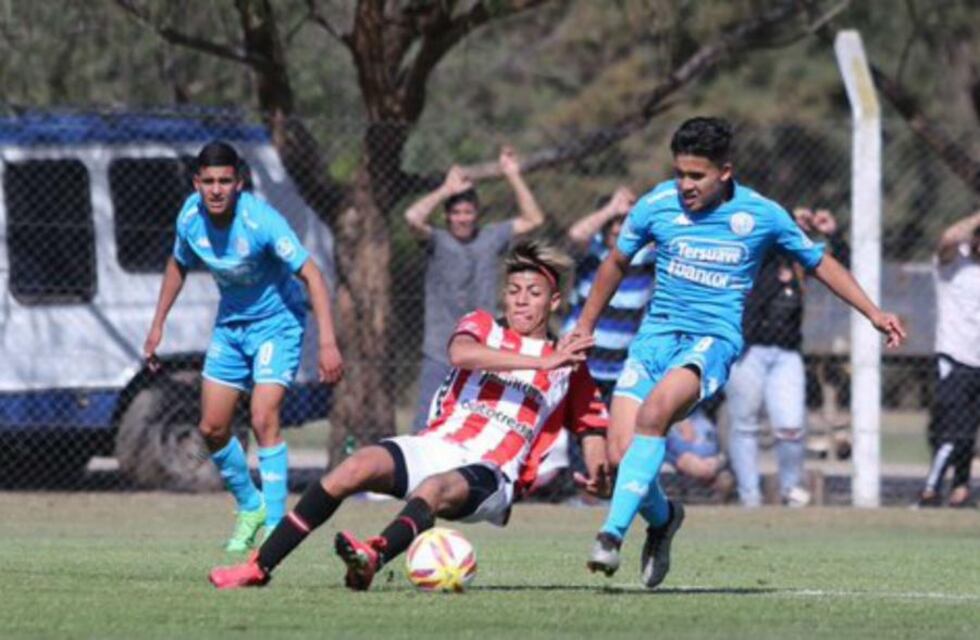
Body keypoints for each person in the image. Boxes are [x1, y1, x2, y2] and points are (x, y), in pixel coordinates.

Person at [568, 116, 906, 589]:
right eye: (680, 173)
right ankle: (663, 520)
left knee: (655, 415)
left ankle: (611, 535)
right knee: (626, 456)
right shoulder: (657, 205)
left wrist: (872, 312)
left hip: (712, 341)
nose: (685, 185)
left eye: (696, 176)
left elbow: (819, 261)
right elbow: (617, 263)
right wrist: (585, 326)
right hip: (654, 339)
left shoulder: (762, 215)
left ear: (724, 171)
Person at [208, 241, 611, 591]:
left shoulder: (568, 366)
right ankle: (258, 566)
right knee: (354, 467)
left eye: (534, 293)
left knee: (435, 488)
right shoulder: (483, 326)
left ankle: (374, 555)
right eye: (514, 291)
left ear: (553, 301)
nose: (522, 300)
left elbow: (591, 428)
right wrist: (540, 361)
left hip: (493, 471)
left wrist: (598, 470)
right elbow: (461, 354)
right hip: (437, 444)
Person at [143, 141, 344, 553]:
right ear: (197, 183)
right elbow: (177, 264)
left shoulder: (262, 222)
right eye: (209, 182)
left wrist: (327, 341)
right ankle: (249, 506)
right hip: (230, 328)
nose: (217, 190)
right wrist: (157, 324)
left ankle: (275, 525)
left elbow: (313, 276)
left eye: (225, 181)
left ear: (238, 183)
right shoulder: (189, 218)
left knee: (263, 415)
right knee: (211, 428)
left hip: (278, 325)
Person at [405, 146, 546, 433]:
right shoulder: (438, 240)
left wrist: (512, 174)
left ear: (477, 214)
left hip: (483, 349)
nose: (463, 218)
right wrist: (446, 190)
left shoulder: (491, 237)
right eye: (456, 213)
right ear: (447, 216)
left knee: (477, 422)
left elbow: (534, 219)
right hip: (439, 349)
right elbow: (412, 217)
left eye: (468, 212)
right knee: (425, 424)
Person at [725, 207, 843, 508]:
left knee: (790, 426)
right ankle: (749, 496)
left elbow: (840, 268)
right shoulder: (758, 255)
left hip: (787, 354)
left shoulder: (800, 261)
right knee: (744, 425)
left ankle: (791, 489)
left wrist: (831, 236)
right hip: (747, 350)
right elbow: (759, 288)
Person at [563, 186, 654, 403]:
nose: (615, 229)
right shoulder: (591, 250)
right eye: (610, 223)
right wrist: (611, 208)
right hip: (578, 363)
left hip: (621, 371)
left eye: (622, 222)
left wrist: (640, 214)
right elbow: (575, 235)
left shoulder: (646, 256)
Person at [917, 211, 980, 508]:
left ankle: (961, 489)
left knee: (967, 434)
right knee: (954, 429)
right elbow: (947, 239)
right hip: (955, 358)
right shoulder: (953, 263)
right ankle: (930, 491)